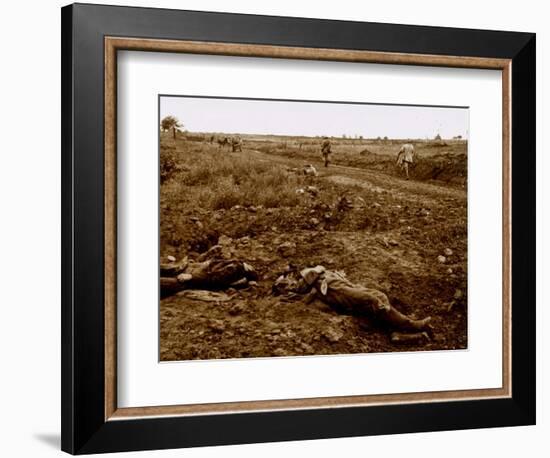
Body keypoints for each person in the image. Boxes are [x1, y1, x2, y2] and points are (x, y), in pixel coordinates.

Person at [273, 265, 432, 334]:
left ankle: (397, 330)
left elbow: (353, 291)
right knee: (381, 305)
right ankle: (412, 326)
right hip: (358, 307)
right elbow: (353, 295)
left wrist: (374, 298)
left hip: (357, 302)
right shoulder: (327, 285)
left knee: (380, 298)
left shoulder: (324, 285)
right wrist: (373, 300)